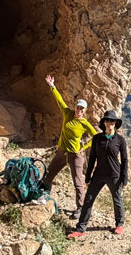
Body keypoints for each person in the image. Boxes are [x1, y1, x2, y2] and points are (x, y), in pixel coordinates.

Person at [41, 74, 97, 216]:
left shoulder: (84, 123)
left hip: (75, 155)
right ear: (75, 107)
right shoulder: (67, 113)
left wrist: (83, 148)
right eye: (78, 108)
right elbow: (59, 101)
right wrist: (52, 86)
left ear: (85, 111)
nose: (79, 111)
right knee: (48, 175)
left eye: (82, 109)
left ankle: (81, 208)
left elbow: (96, 137)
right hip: (62, 152)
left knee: (78, 182)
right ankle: (43, 197)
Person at [68, 110, 129, 238]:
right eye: (107, 120)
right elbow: (92, 158)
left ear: (116, 123)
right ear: (104, 123)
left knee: (117, 200)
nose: (109, 123)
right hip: (98, 174)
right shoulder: (97, 138)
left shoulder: (120, 140)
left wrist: (124, 178)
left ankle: (119, 224)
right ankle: (81, 229)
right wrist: (88, 176)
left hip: (114, 175)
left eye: (112, 121)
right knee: (88, 200)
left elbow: (124, 160)